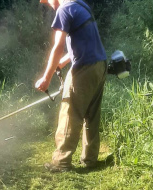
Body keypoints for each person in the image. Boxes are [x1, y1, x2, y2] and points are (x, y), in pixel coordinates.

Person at [36, 0, 107, 172]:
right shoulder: (81, 5)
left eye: (47, 1)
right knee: (91, 114)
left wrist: (46, 78)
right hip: (100, 65)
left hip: (84, 69)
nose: (49, 5)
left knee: (70, 112)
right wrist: (65, 61)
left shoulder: (64, 10)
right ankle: (90, 160)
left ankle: (61, 163)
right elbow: (85, 40)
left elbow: (58, 46)